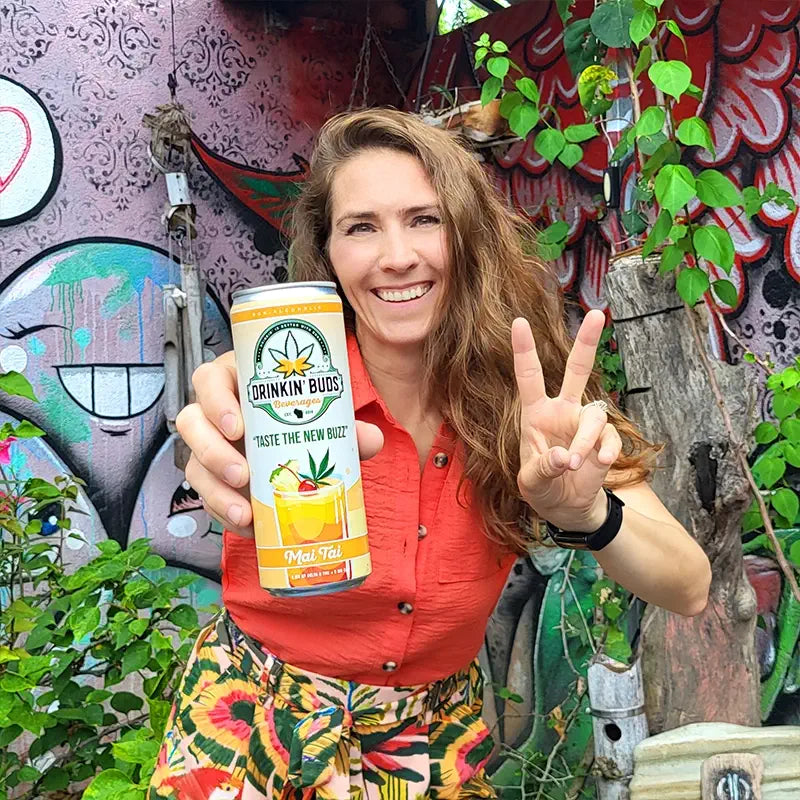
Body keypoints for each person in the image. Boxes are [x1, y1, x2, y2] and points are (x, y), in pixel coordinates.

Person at [150, 108, 711, 800]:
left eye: (424, 219)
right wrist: (215, 444)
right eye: (361, 227)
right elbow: (218, 424)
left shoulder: (528, 398)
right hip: (255, 724)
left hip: (431, 741)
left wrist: (585, 512)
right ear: (327, 254)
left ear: (466, 235)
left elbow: (689, 586)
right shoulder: (280, 396)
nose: (396, 256)